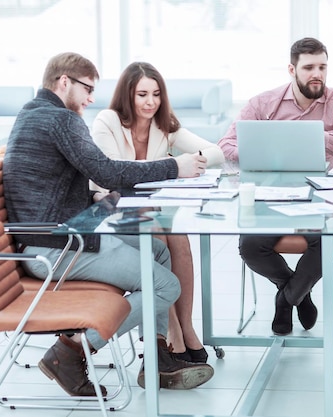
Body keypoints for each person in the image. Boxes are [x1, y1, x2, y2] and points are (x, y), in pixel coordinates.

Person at [3, 52, 213, 396]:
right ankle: (69, 351)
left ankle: (158, 356)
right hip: (55, 247)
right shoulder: (61, 119)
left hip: (53, 237)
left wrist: (91, 200)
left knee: (159, 252)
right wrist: (176, 167)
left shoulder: (31, 114)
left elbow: (50, 184)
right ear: (64, 82)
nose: (90, 98)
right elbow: (108, 172)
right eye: (87, 89)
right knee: (166, 287)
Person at [217, 37, 333, 335]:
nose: (316, 73)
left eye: (322, 66)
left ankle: (285, 300)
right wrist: (267, 144)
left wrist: (306, 134)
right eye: (309, 67)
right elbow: (226, 144)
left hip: (320, 197)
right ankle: (296, 292)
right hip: (271, 196)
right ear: (292, 69)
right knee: (250, 247)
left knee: (329, 241)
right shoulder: (263, 103)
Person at [90, 62, 224, 371]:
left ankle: (186, 326)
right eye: (142, 95)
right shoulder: (107, 121)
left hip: (149, 212)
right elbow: (113, 175)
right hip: (111, 214)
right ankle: (173, 331)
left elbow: (216, 152)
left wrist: (191, 160)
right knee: (159, 232)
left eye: (156, 94)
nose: (150, 102)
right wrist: (171, 166)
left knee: (177, 237)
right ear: (128, 96)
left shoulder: (164, 125)